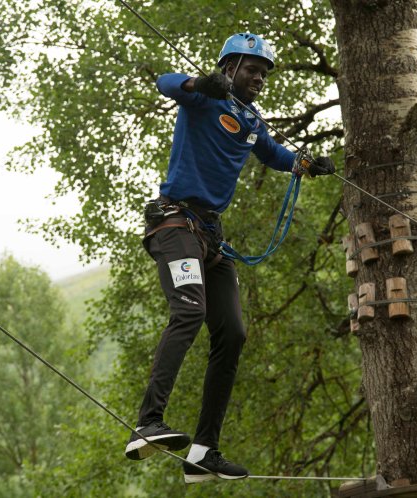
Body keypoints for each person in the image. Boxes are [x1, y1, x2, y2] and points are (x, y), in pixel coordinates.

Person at [125, 32, 335, 483]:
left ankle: (203, 451)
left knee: (233, 333)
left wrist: (304, 164)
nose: (259, 77)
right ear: (229, 68)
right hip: (175, 224)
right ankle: (147, 422)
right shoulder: (203, 100)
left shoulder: (252, 119)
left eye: (263, 72)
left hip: (210, 238)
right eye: (251, 69)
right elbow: (166, 81)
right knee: (188, 311)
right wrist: (198, 85)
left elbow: (273, 153)